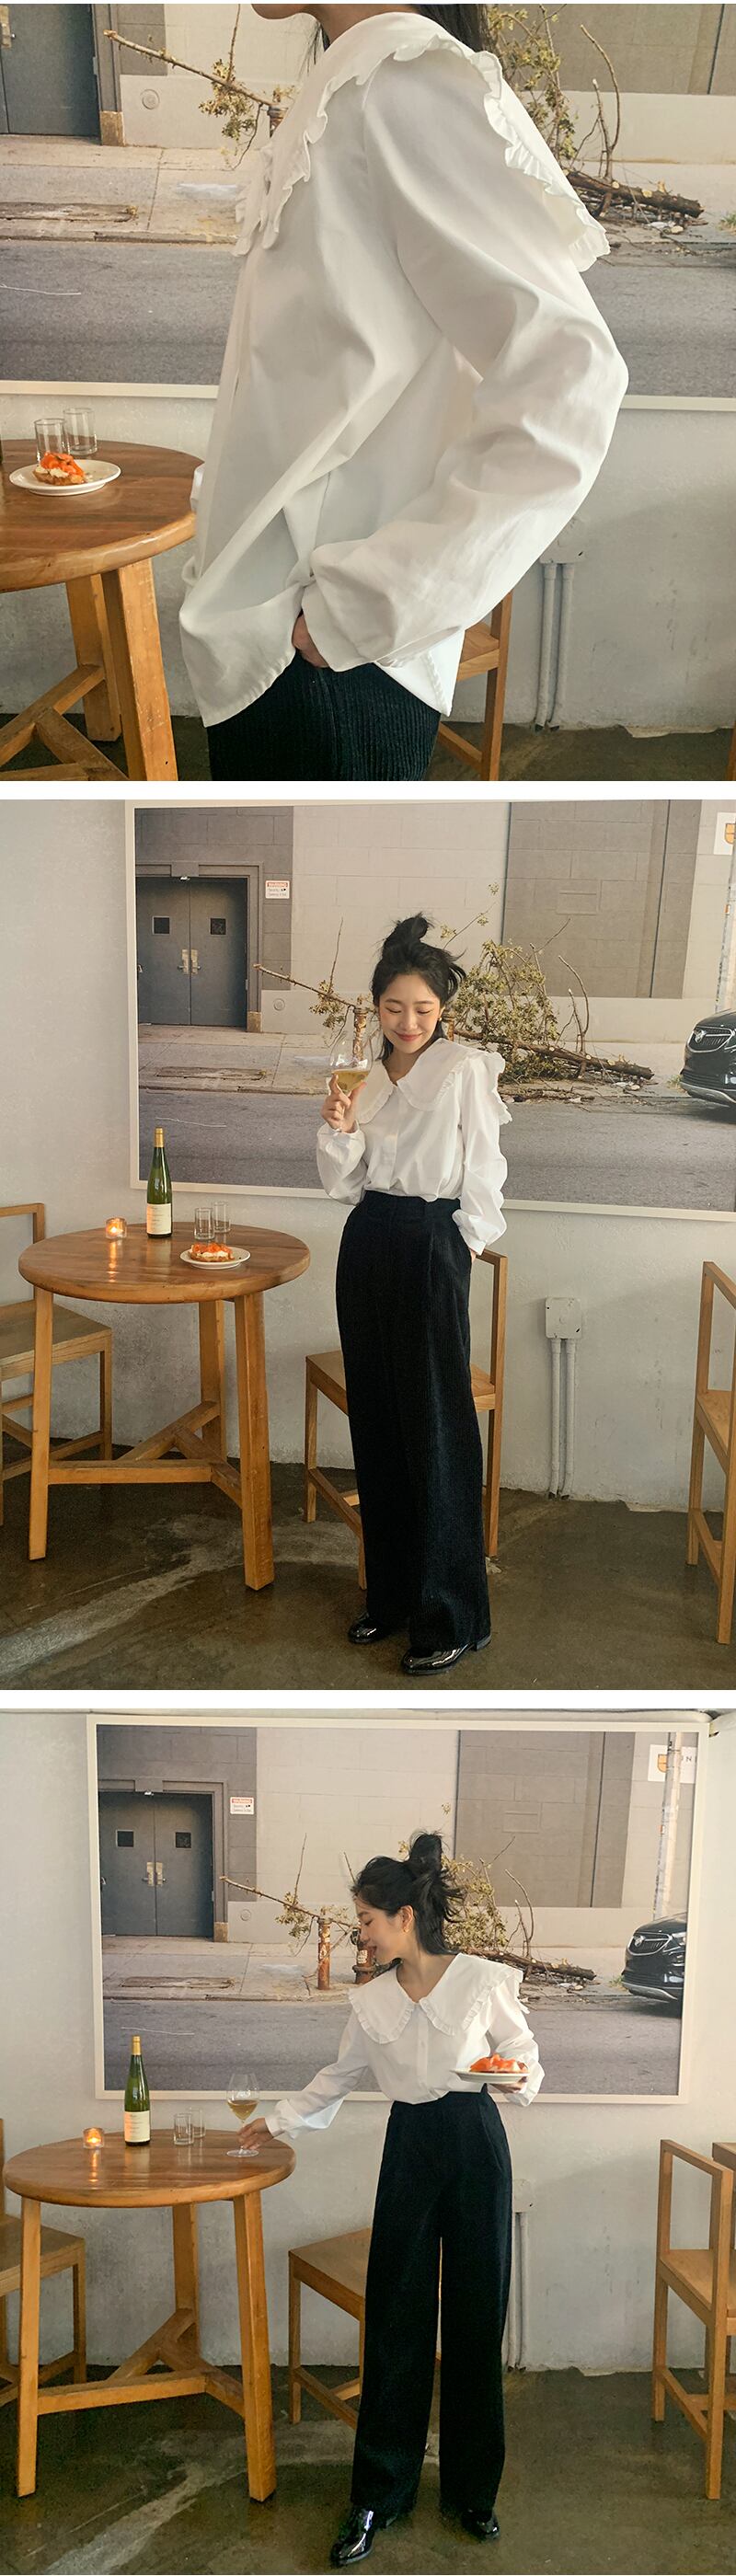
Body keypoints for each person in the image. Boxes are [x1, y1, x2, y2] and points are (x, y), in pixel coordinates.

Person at [179, 3, 628, 783]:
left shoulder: (405, 85)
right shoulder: (356, 80)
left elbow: (570, 373)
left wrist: (370, 604)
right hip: (273, 643)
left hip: (321, 660)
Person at [241, 1831, 543, 2565]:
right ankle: (379, 2493)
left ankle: (472, 2492)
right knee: (396, 2321)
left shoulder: (481, 1980)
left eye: (367, 1921)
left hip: (474, 2143)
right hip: (409, 2148)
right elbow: (339, 2078)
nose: (362, 1935)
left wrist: (511, 2075)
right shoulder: (371, 2000)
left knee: (476, 2319)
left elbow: (524, 2058)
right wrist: (275, 2121)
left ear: (404, 1917)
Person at [316, 913, 509, 1673]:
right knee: (378, 1422)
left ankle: (450, 1614)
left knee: (434, 1426)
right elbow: (346, 1186)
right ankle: (392, 1597)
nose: (408, 1022)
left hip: (432, 1242)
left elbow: (485, 1166)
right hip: (368, 1238)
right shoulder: (362, 1076)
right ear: (377, 1007)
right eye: (394, 1007)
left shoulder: (464, 1069)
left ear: (441, 1010)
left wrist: (463, 1244)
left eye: (423, 1008)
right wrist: (339, 1128)